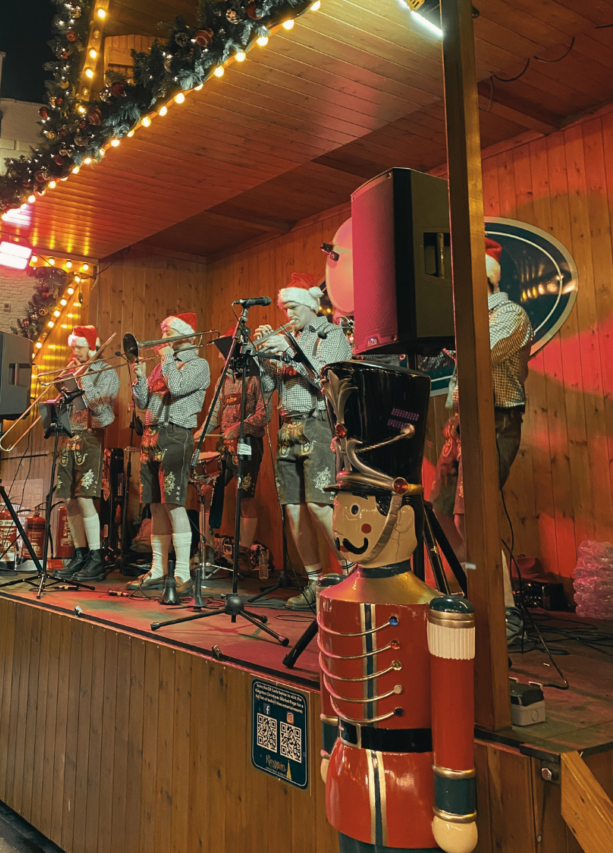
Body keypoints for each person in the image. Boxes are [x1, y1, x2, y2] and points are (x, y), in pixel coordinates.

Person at [319, 360, 477, 853]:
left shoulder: (439, 611)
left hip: (410, 785)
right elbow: (331, 688)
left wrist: (454, 802)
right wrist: (328, 750)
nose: (343, 521)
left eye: (358, 510)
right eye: (342, 508)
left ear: (404, 523)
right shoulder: (331, 592)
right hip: (348, 774)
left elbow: (451, 712)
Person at [430, 236, 534, 627]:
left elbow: (480, 353)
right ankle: (470, 594)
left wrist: (450, 328)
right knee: (440, 511)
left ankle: (504, 610)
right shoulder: (469, 319)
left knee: (472, 516)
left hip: (495, 420)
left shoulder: (509, 314)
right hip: (461, 426)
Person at [255, 272, 354, 609]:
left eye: (294, 307)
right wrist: (263, 358)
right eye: (285, 309)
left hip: (318, 423)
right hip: (286, 427)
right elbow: (269, 389)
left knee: (318, 503)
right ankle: (314, 583)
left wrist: (292, 350)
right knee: (294, 510)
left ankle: (353, 575)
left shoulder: (331, 333)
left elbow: (328, 377)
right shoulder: (289, 337)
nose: (289, 315)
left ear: (312, 304)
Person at [127, 311, 210, 595]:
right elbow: (142, 402)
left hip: (176, 434)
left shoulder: (199, 364)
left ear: (184, 335)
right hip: (151, 434)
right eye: (162, 332)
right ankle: (158, 569)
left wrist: (165, 359)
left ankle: (183, 573)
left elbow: (177, 387)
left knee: (174, 503)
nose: (162, 338)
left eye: (167, 332)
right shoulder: (158, 367)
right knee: (156, 505)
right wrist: (138, 377)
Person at [195, 324, 273, 565]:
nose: (220, 356)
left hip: (248, 445)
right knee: (206, 490)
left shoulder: (256, 375)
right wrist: (200, 431)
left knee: (244, 498)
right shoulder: (223, 378)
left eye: (223, 350)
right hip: (224, 447)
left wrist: (239, 428)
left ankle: (243, 553)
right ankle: (207, 548)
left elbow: (265, 414)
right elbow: (214, 411)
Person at [55, 324, 120, 583]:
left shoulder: (106, 371)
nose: (75, 352)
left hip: (92, 437)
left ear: (92, 346)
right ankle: (80, 553)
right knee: (69, 500)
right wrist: (64, 383)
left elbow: (103, 408)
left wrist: (80, 382)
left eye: (79, 347)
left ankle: (96, 556)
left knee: (85, 498)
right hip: (69, 437)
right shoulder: (74, 369)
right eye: (73, 348)